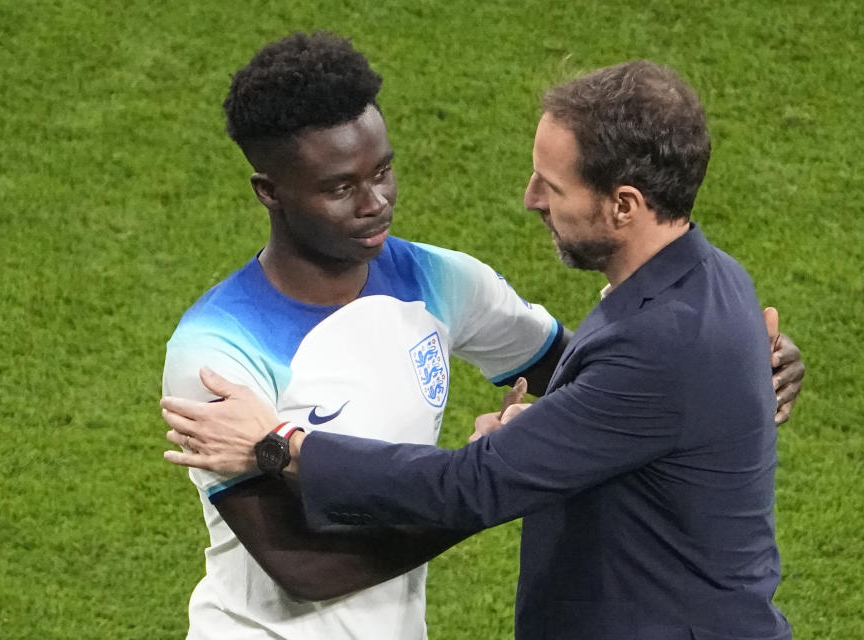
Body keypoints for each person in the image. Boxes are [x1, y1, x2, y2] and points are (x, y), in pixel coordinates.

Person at [164, 36, 804, 640]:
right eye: (340, 188)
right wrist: (499, 479)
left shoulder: (441, 282)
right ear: (269, 193)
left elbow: (591, 378)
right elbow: (304, 571)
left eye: (382, 172)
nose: (375, 202)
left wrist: (730, 381)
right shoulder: (217, 350)